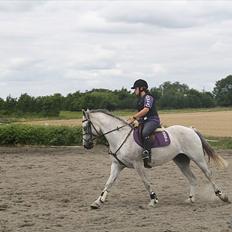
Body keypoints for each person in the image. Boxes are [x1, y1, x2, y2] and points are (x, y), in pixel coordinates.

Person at [128, 79, 161, 168]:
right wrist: (136, 121)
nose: (134, 91)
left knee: (145, 132)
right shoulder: (140, 99)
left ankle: (147, 155)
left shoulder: (148, 97)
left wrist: (134, 117)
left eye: (135, 89)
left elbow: (146, 109)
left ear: (141, 88)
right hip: (144, 120)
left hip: (153, 120)